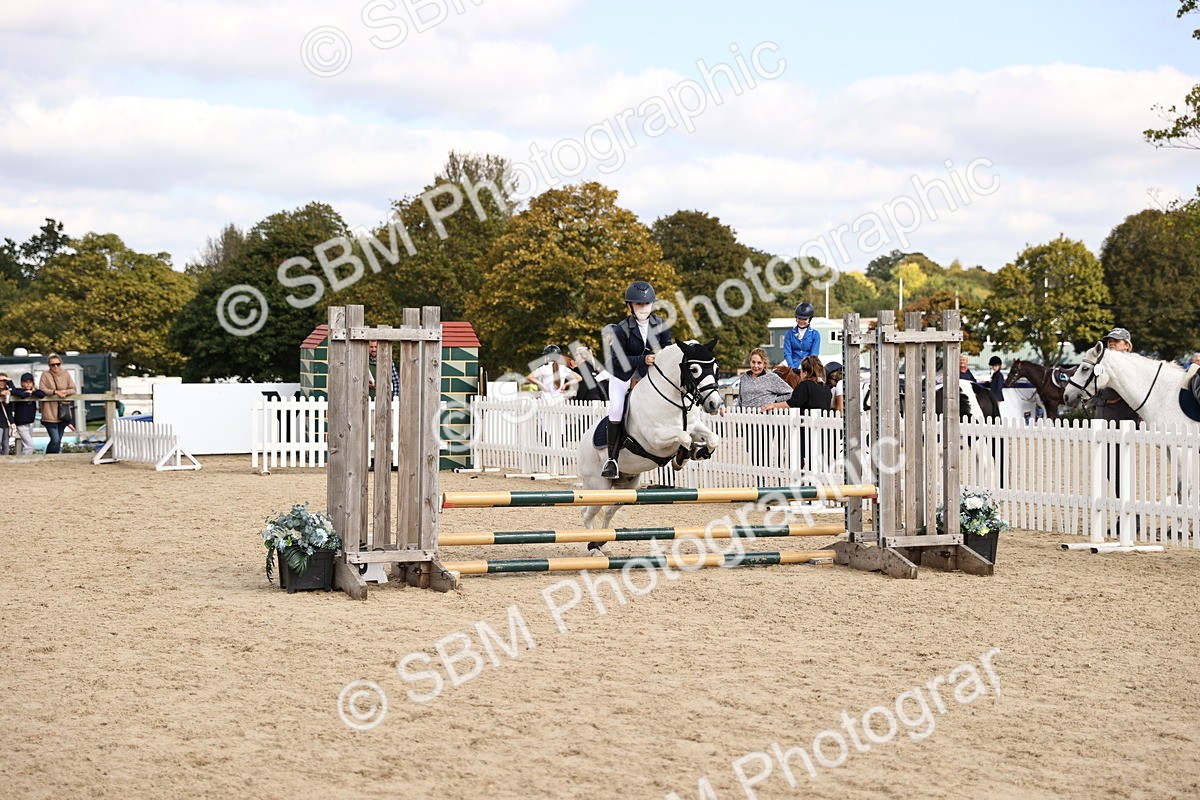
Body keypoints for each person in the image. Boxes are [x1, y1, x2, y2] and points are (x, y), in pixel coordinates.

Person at [601, 280, 672, 479]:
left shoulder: (660, 324)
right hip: (623, 374)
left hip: (649, 373)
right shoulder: (621, 329)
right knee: (616, 410)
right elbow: (617, 359)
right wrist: (644, 358)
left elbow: (667, 347)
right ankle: (612, 459)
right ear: (630, 306)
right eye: (639, 304)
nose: (643, 308)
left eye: (646, 304)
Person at [1089, 328, 1139, 424]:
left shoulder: (1134, 367)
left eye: (1116, 340)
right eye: (1109, 341)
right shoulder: (1100, 366)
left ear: (1127, 345)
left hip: (1126, 425)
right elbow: (1089, 394)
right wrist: (1104, 401)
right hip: (1100, 424)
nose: (1111, 343)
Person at [761, 356, 832, 412]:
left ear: (805, 373)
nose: (800, 373)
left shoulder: (805, 385)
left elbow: (791, 404)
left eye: (801, 371)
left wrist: (773, 405)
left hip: (806, 427)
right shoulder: (826, 388)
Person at [39, 354, 76, 454]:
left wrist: (65, 392)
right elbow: (42, 389)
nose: (55, 366)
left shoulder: (66, 374)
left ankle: (55, 458)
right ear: (49, 365)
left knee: (58, 440)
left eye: (58, 364)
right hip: (49, 413)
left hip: (63, 412)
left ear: (61, 364)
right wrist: (55, 392)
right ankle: (49, 457)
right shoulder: (45, 375)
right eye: (53, 364)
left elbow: (73, 388)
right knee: (55, 439)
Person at [10, 373, 44, 455]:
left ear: (33, 383)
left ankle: (23, 459)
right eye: (25, 382)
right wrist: (9, 381)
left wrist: (32, 392)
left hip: (31, 422)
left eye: (30, 382)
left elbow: (42, 394)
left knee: (25, 444)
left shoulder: (35, 392)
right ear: (22, 383)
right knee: (30, 445)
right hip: (21, 423)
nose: (28, 384)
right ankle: (25, 460)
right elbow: (17, 393)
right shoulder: (19, 391)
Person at [783, 302, 820, 369]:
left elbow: (814, 354)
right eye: (799, 318)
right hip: (793, 365)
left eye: (804, 319)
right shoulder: (789, 333)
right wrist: (792, 367)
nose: (801, 321)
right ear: (796, 318)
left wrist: (808, 367)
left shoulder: (815, 334)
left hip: (808, 366)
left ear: (810, 319)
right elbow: (787, 353)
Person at [0, 373, 10, 455]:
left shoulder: (10, 392)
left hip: (7, 422)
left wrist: (10, 381)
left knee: (6, 444)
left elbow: (15, 390)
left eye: (4, 381)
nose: (2, 383)